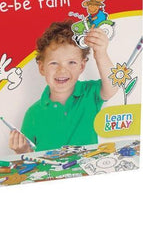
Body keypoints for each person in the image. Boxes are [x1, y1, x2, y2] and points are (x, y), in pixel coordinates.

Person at [9, 20, 117, 153]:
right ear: (42, 68)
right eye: (54, 63)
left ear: (82, 66)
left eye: (71, 62)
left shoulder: (89, 93)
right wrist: (22, 150)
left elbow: (113, 86)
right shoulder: (33, 114)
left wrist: (101, 53)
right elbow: (29, 159)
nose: (62, 70)